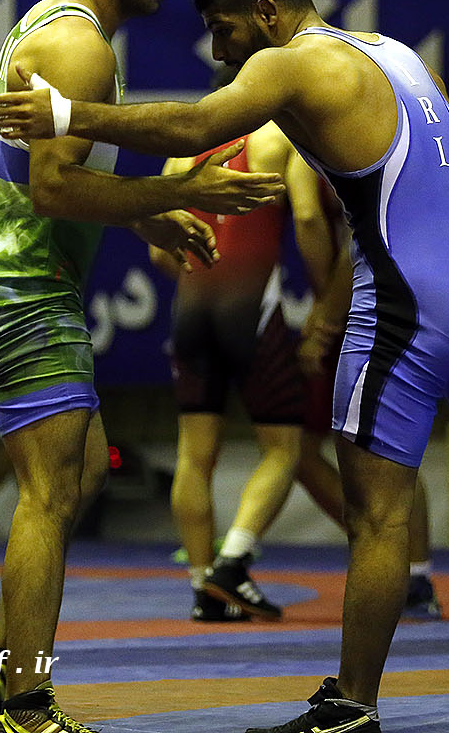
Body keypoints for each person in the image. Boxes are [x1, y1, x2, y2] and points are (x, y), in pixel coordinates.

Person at [0, 0, 449, 730]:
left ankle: (352, 704)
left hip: (405, 302)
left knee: (376, 515)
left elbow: (194, 126)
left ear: (266, 11)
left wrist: (64, 113)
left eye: (223, 31)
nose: (219, 52)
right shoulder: (400, 55)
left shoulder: (291, 64)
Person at [0, 0, 286, 733]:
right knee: (49, 496)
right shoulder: (81, 49)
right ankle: (27, 703)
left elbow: (58, 176)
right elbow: (55, 191)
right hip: (25, 291)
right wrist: (180, 193)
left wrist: (149, 217)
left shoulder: (59, 24)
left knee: (84, 469)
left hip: (18, 283)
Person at [150, 119, 334, 622]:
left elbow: (157, 249)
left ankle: (202, 588)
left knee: (194, 455)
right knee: (284, 449)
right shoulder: (280, 138)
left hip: (191, 309)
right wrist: (324, 297)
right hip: (249, 308)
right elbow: (309, 218)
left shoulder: (183, 150)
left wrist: (200, 274)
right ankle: (233, 560)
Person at [294, 236, 444, 618]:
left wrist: (323, 321)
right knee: (393, 451)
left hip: (368, 315)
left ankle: (394, 558)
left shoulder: (350, 199)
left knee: (370, 454)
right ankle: (407, 566)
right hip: (413, 305)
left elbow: (349, 239)